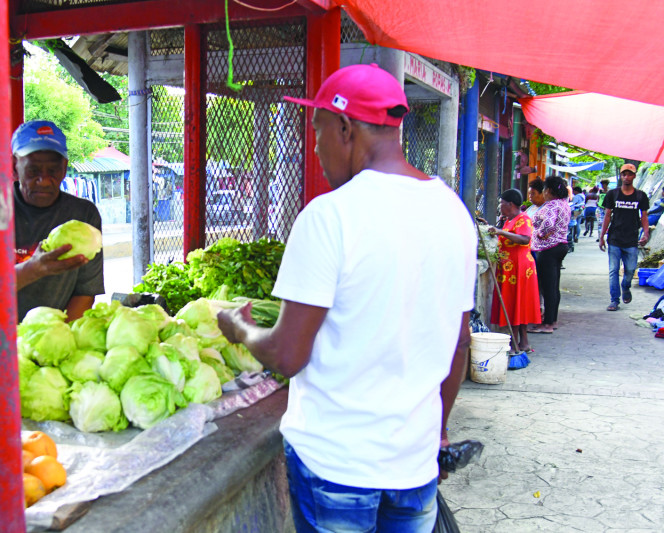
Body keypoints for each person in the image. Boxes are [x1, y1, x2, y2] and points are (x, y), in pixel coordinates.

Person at [216, 64, 476, 532]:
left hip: (337, 466)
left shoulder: (329, 217)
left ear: (344, 127)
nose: (313, 151)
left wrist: (240, 328)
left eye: (316, 134)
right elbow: (460, 343)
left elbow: (287, 354)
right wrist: (435, 430)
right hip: (414, 463)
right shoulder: (453, 212)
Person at [12, 120, 104, 322]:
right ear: (14, 166)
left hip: (53, 337)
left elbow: (85, 293)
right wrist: (32, 269)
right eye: (33, 170)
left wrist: (57, 337)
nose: (43, 180)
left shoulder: (84, 215)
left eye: (52, 171)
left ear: (64, 168)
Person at [488, 189, 541, 352]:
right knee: (515, 304)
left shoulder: (523, 219)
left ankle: (516, 342)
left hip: (519, 269)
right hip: (509, 269)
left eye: (501, 204)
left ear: (509, 204)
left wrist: (501, 232)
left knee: (517, 304)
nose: (500, 207)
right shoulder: (508, 220)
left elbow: (525, 239)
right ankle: (522, 342)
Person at [598, 163, 650, 311]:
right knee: (613, 270)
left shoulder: (641, 195)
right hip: (614, 238)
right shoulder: (612, 194)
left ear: (634, 176)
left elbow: (644, 217)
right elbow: (607, 215)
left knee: (630, 270)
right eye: (624, 174)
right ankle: (614, 300)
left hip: (632, 240)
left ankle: (625, 286)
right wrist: (602, 236)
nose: (626, 177)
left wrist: (646, 233)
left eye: (629, 174)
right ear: (621, 176)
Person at [528, 176, 570, 334]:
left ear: (549, 191)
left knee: (547, 287)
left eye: (545, 189)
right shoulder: (564, 204)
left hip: (548, 248)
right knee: (554, 285)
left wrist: (539, 234)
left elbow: (548, 224)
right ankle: (553, 319)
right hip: (561, 245)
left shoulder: (552, 205)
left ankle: (547, 324)